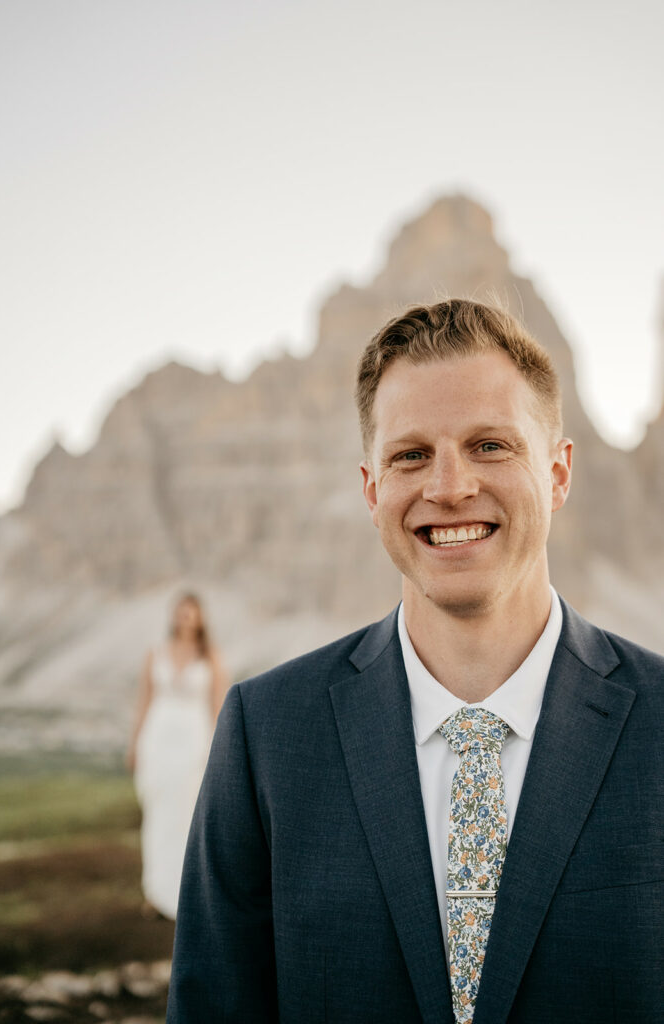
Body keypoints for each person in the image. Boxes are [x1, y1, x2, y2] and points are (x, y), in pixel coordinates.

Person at [167, 300, 663, 1022]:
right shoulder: (266, 734)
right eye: (410, 455)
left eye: (490, 445)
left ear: (557, 474)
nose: (449, 486)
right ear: (372, 490)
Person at [127, 592, 229, 919]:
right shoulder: (155, 653)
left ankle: (185, 890)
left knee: (187, 813)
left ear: (200, 619)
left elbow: (218, 704)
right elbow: (144, 699)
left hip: (192, 743)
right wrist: (135, 741)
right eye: (180, 613)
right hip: (158, 740)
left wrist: (219, 748)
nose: (184, 619)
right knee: (157, 814)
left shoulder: (210, 656)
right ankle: (155, 891)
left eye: (191, 614)